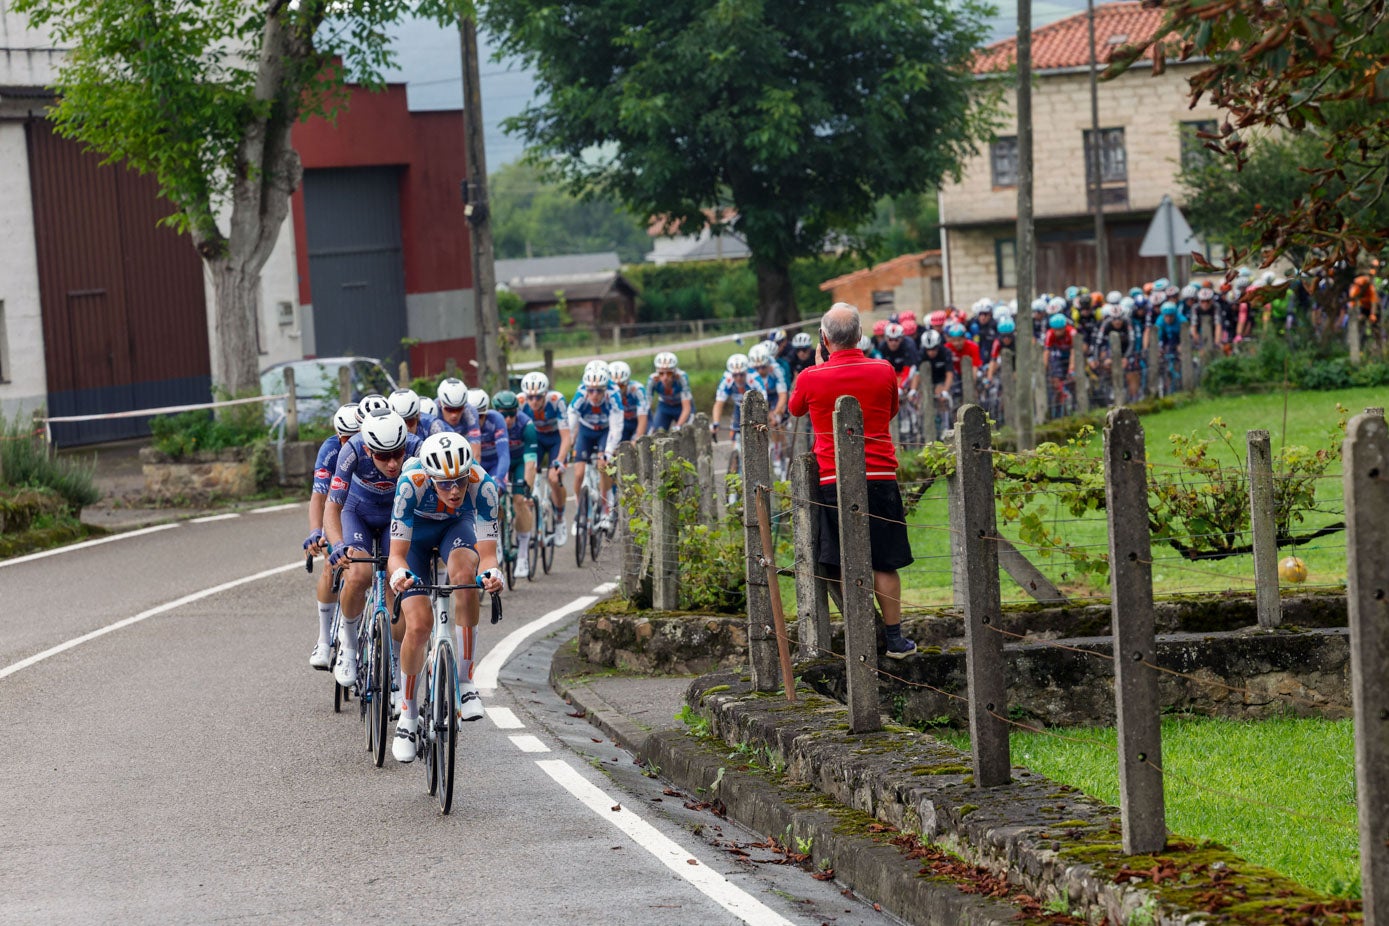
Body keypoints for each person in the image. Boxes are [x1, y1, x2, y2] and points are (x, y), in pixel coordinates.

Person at [788, 302, 916, 659]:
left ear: (824, 338)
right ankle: (894, 639)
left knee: (843, 561)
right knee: (885, 562)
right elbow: (891, 411)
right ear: (860, 335)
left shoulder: (810, 377)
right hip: (880, 476)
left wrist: (819, 366)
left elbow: (795, 409)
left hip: (833, 480)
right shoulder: (884, 369)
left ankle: (858, 635)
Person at [386, 432, 504, 762]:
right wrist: (398, 574)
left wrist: (494, 574)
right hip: (416, 540)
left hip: (457, 528)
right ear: (430, 478)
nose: (454, 491)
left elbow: (489, 554)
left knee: (467, 577)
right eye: (444, 484)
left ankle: (466, 682)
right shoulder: (411, 483)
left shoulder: (484, 485)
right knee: (420, 625)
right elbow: (396, 554)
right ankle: (408, 717)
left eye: (460, 482)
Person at [323, 409, 424, 689]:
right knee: (359, 574)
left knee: (396, 582)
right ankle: (350, 646)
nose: (393, 464)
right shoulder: (352, 451)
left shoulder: (417, 447)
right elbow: (332, 508)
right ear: (368, 449)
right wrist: (338, 544)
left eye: (397, 453)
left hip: (396, 516)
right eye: (382, 456)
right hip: (359, 513)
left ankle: (393, 658)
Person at [304, 404, 360, 670]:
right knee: (332, 561)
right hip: (337, 510)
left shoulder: (375, 450)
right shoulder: (330, 450)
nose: (348, 443)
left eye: (355, 436)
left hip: (363, 508)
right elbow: (319, 496)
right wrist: (316, 532)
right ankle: (324, 639)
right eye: (344, 438)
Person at [518, 371, 573, 546]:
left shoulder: (557, 400)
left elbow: (566, 437)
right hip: (537, 440)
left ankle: (560, 518)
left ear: (545, 394)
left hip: (556, 438)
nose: (534, 401)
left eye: (538, 397)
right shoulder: (520, 402)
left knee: (553, 477)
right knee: (530, 473)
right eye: (530, 397)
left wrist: (560, 460)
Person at [567, 363, 624, 533]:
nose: (594, 395)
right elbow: (570, 423)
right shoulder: (580, 394)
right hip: (586, 431)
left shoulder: (614, 395)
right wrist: (569, 443)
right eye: (591, 390)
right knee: (578, 474)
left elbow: (616, 427)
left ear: (606, 388)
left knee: (603, 466)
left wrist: (607, 452)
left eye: (599, 390)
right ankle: (580, 513)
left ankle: (607, 510)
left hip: (605, 431)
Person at [494, 390, 538, 579]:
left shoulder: (526, 425)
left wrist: (527, 488)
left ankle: (522, 554)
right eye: (504, 414)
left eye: (512, 413)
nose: (509, 419)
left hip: (520, 462)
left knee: (519, 499)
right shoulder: (492, 422)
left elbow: (530, 462)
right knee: (493, 498)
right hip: (499, 462)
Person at [467, 388, 511, 489]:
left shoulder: (496, 419)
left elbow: (504, 454)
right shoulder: (461, 424)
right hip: (473, 465)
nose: (476, 421)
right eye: (472, 417)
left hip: (494, 466)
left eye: (480, 416)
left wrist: (499, 479)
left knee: (494, 491)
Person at [430, 377, 482, 461]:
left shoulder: (471, 412)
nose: (454, 415)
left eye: (459, 409)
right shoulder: (433, 411)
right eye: (449, 409)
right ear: (440, 404)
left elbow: (476, 454)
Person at [646, 352, 694, 432]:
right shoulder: (652, 380)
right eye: (661, 373)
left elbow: (686, 407)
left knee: (686, 431)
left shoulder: (681, 377)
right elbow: (646, 407)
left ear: (674, 371)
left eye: (669, 373)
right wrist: (649, 426)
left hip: (681, 405)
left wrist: (678, 426)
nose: (665, 377)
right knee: (658, 432)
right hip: (665, 406)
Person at [609, 360, 648, 442]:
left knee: (641, 445)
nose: (617, 390)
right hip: (624, 422)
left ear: (627, 382)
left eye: (621, 386)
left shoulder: (637, 390)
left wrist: (636, 440)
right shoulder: (607, 393)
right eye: (614, 386)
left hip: (638, 420)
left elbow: (642, 418)